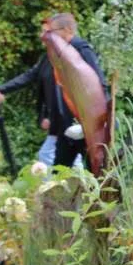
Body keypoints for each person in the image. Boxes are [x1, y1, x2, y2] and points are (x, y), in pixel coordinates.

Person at [41, 12, 109, 169]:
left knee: (94, 170)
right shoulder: (60, 54)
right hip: (69, 124)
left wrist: (98, 120)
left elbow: (100, 83)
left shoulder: (82, 50)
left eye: (53, 32)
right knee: (60, 171)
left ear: (67, 30)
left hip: (86, 124)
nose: (50, 37)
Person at [0, 52, 60, 167]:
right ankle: (76, 183)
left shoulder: (67, 57)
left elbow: (65, 93)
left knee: (48, 155)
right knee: (62, 156)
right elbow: (29, 76)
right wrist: (1, 89)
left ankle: (73, 183)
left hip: (67, 119)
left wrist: (52, 118)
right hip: (58, 121)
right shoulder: (47, 58)